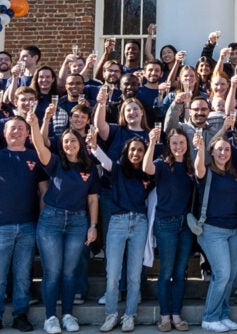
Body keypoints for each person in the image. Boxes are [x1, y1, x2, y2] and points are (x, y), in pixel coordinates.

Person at [0, 104, 45, 334]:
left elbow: (43, 191)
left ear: (27, 133)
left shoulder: (35, 157)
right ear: (4, 133)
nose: (16, 132)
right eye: (12, 128)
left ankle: (20, 315)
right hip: (0, 226)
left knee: (23, 275)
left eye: (21, 128)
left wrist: (42, 219)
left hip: (27, 225)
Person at [27, 110, 100, 334]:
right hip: (51, 221)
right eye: (66, 141)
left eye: (73, 141)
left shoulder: (89, 168)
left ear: (80, 144)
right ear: (62, 144)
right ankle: (50, 317)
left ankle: (67, 315)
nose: (70, 144)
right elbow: (39, 147)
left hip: (78, 222)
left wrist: (93, 226)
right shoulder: (55, 163)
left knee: (70, 272)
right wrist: (36, 123)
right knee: (53, 272)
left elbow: (93, 200)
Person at [143, 128, 197, 333]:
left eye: (181, 142)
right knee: (165, 272)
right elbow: (146, 168)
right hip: (166, 223)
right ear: (168, 145)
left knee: (180, 272)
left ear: (187, 144)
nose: (178, 147)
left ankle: (177, 314)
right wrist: (151, 143)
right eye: (174, 143)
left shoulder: (191, 166)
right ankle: (165, 316)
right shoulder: (162, 165)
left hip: (185, 225)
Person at [97, 134, 152, 333]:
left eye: (140, 150)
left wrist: (152, 143)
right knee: (113, 274)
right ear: (126, 152)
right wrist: (93, 145)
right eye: (133, 150)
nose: (136, 153)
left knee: (134, 275)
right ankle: (111, 314)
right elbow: (103, 159)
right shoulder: (118, 169)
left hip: (140, 223)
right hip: (118, 222)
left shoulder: (148, 174)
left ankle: (130, 315)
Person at [197, 132, 237, 333]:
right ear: (212, 153)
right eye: (219, 149)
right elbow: (198, 166)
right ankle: (210, 317)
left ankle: (223, 315)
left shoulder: (234, 174)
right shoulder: (206, 172)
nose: (223, 152)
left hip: (233, 229)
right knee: (222, 274)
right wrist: (199, 147)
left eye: (227, 149)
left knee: (231, 275)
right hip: (212, 229)